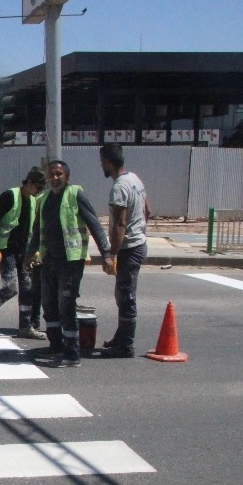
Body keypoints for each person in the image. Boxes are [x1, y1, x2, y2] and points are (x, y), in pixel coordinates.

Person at [26, 160, 114, 368]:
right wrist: (29, 254)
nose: (55, 178)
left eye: (59, 174)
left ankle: (72, 353)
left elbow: (94, 224)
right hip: (49, 259)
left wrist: (107, 254)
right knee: (49, 303)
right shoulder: (43, 198)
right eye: (52, 175)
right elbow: (38, 230)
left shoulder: (76, 195)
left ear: (67, 177)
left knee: (66, 304)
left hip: (71, 260)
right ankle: (55, 344)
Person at [0, 166, 48, 339]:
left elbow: (33, 227)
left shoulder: (33, 200)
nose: (38, 192)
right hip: (6, 250)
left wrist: (35, 250)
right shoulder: (10, 196)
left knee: (27, 288)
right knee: (11, 288)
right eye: (37, 188)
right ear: (29, 182)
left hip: (24, 251)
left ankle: (25, 327)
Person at [99, 143, 150, 358]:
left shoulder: (120, 187)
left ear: (108, 162)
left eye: (102, 161)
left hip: (129, 248)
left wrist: (112, 254)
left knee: (126, 295)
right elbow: (148, 210)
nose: (101, 164)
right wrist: (139, 231)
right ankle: (121, 338)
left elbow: (119, 225)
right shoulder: (134, 179)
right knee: (122, 294)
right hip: (139, 244)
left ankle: (125, 346)